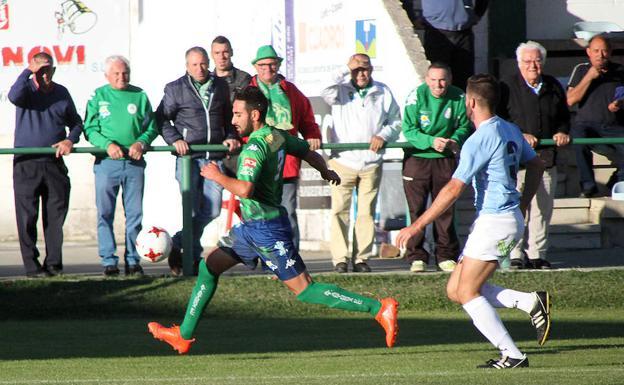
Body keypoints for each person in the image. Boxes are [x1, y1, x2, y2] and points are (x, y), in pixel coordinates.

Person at [147, 87, 398, 354]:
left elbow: (245, 189)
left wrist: (216, 175)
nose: (233, 120)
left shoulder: (254, 148)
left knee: (305, 289)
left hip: (267, 231)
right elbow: (305, 151)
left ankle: (379, 308)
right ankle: (183, 335)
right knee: (209, 268)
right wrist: (325, 170)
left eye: (237, 114)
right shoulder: (276, 135)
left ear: (254, 114)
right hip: (250, 230)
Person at [396, 74, 551, 369]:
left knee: (468, 291)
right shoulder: (509, 128)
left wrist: (416, 225)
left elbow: (454, 188)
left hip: (496, 221)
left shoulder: (479, 138)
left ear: (470, 102)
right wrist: (524, 202)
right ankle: (530, 302)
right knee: (455, 289)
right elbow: (536, 163)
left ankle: (513, 355)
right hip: (498, 219)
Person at [156, 46, 239, 276]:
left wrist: (231, 137)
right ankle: (191, 260)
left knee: (212, 210)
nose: (200, 68)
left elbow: (228, 118)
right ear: (187, 66)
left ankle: (177, 243)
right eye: (194, 64)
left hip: (213, 157)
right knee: (190, 211)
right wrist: (174, 139)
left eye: (203, 63)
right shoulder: (175, 89)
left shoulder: (220, 85)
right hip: (188, 159)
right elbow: (160, 119)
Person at [321, 53, 401, 274]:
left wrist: (384, 135)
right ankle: (339, 259)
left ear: (372, 70)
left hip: (371, 161)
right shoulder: (340, 90)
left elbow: (396, 120)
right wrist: (346, 68)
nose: (361, 73)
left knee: (365, 213)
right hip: (342, 161)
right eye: (357, 70)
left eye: (365, 68)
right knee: (339, 211)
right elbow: (325, 88)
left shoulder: (382, 91)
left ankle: (361, 258)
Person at [8, 52, 83, 278]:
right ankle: (32, 267)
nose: (44, 75)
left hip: (54, 163)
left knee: (55, 218)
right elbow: (13, 95)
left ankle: (54, 265)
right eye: (39, 70)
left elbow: (77, 122)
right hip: (26, 163)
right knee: (27, 218)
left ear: (53, 70)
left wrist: (70, 140)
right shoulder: (26, 91)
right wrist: (28, 72)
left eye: (47, 69)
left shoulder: (61, 93)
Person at [84, 55, 159, 276]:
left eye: (125, 72)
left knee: (135, 215)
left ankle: (133, 261)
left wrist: (141, 142)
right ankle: (109, 262)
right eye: (116, 73)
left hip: (134, 164)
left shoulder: (140, 95)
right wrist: (106, 145)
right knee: (105, 213)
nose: (121, 77)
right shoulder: (99, 96)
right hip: (107, 163)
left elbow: (152, 127)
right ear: (107, 75)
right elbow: (90, 129)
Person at [499, 41, 570, 270]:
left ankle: (537, 254)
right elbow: (498, 121)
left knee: (542, 209)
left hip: (546, 159)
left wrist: (562, 132)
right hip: (517, 161)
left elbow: (564, 117)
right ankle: (517, 253)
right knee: (518, 209)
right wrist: (519, 134)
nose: (533, 65)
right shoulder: (507, 87)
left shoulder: (553, 86)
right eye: (528, 61)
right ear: (519, 63)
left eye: (537, 61)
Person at [249, 45, 322, 250]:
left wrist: (313, 135)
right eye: (263, 64)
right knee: (260, 213)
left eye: (272, 64)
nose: (268, 69)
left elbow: (307, 118)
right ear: (256, 66)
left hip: (285, 162)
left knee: (287, 212)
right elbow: (238, 123)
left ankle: (291, 259)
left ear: (279, 65)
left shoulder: (291, 91)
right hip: (258, 162)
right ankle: (267, 258)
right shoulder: (249, 92)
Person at [401, 62, 471, 273]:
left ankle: (446, 255)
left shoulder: (458, 96)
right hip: (417, 158)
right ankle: (416, 256)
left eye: (442, 80)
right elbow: (409, 129)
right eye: (433, 80)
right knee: (416, 209)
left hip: (445, 159)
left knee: (445, 208)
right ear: (426, 79)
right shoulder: (416, 96)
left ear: (449, 79)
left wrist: (453, 141)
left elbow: (465, 125)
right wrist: (431, 141)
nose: (438, 84)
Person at [567, 35, 624, 198]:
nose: (600, 55)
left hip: (614, 125)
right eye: (596, 51)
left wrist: (620, 104)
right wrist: (590, 77)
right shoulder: (581, 70)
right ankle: (588, 186)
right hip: (586, 125)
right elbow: (570, 100)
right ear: (588, 52)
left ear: (610, 52)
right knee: (578, 140)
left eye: (604, 51)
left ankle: (617, 183)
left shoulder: (620, 71)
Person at [421, 0, 489, 90]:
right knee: (437, 80)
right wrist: (411, 16)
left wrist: (477, 14)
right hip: (436, 31)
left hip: (463, 32)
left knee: (463, 81)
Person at [210, 36, 252, 177]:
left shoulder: (244, 79)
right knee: (211, 197)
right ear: (212, 55)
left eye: (225, 52)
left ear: (232, 52)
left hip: (239, 146)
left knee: (245, 193)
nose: (222, 57)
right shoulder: (206, 81)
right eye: (217, 53)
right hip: (213, 147)